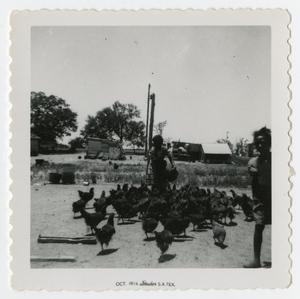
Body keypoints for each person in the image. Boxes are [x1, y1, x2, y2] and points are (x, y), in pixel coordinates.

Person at [244, 127, 271, 268]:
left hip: (275, 198)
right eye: (258, 142)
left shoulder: (277, 160)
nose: (261, 145)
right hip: (260, 199)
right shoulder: (253, 162)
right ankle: (256, 260)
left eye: (264, 142)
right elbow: (255, 184)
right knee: (258, 226)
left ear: (269, 143)